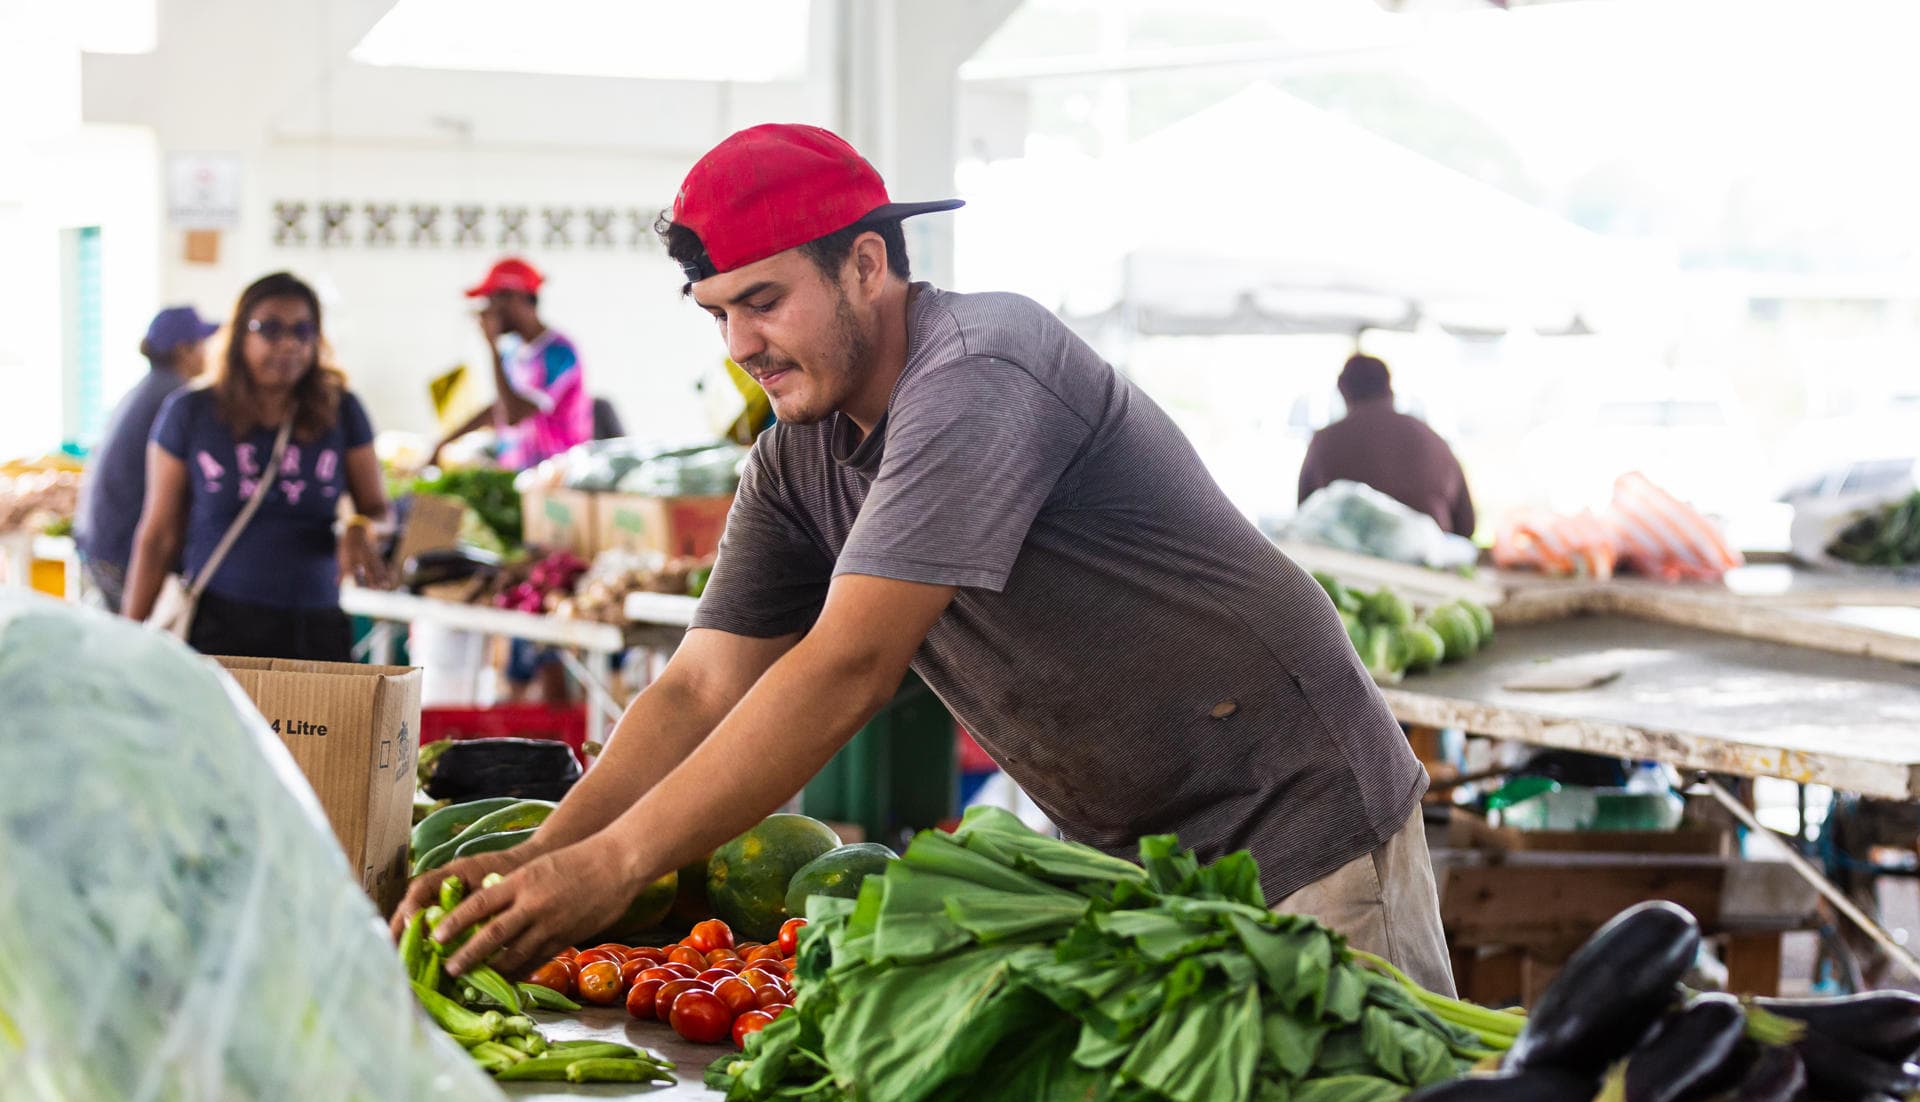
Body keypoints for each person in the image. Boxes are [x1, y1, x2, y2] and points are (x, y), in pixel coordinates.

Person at [397, 124, 1455, 996]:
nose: (739, 348)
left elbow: (850, 664)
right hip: (1139, 846)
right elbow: (699, 687)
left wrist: (620, 866)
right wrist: (542, 861)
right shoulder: (794, 460)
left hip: (1298, 812)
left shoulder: (983, 368)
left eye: (764, 302)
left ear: (866, 263)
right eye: (719, 315)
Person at [122, 272, 389, 660]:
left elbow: (378, 509)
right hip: (217, 622)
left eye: (302, 330)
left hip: (313, 627)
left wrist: (360, 528)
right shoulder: (190, 413)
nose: (288, 344)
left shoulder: (342, 410)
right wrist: (129, 637)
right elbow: (159, 534)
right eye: (270, 329)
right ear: (239, 335)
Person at [73, 306, 219, 611]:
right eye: (201, 345)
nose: (208, 353)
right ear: (184, 350)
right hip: (120, 550)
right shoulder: (177, 399)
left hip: (99, 544)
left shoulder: (148, 388)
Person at [433, 258, 592, 471]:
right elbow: (500, 407)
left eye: (492, 301)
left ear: (515, 298)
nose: (487, 310)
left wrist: (491, 345)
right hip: (517, 474)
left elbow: (514, 415)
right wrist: (443, 443)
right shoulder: (512, 350)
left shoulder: (559, 353)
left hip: (555, 479)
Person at [1298, 355, 1476, 538]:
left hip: (1343, 559)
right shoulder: (1433, 441)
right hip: (1425, 558)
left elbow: (1304, 514)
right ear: (1389, 389)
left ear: (1343, 390)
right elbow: (1466, 526)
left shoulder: (1325, 441)